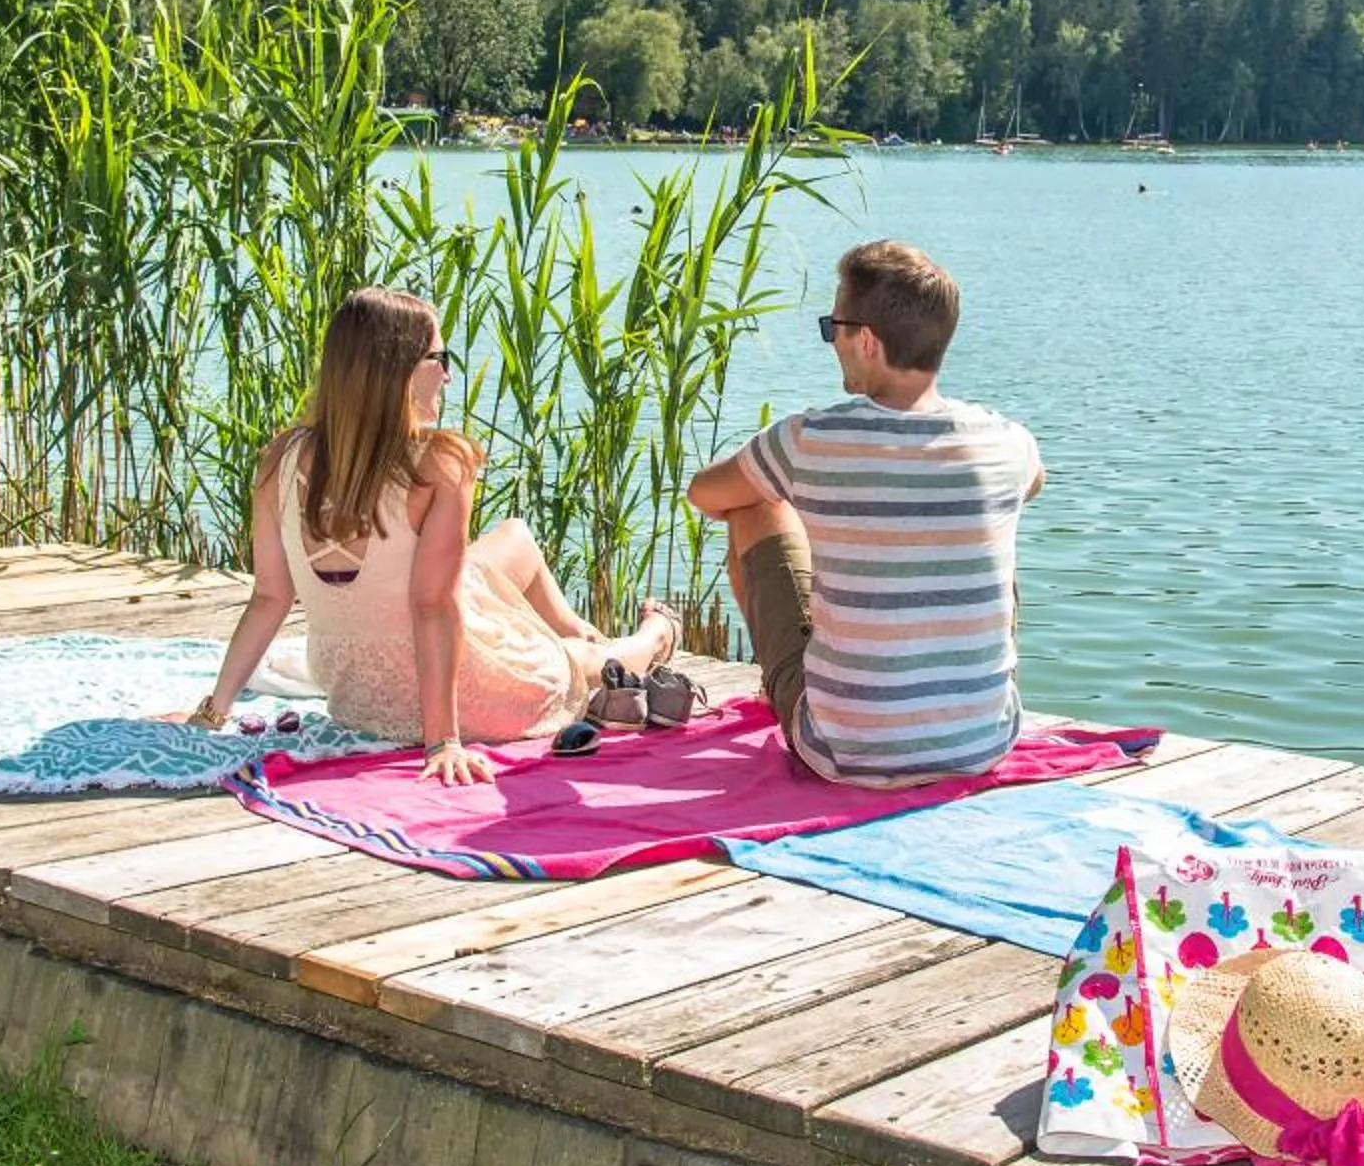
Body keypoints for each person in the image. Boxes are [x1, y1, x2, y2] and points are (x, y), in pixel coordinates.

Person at [182, 288, 677, 784]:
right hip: (460, 695)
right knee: (577, 664)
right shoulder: (440, 462)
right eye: (439, 359)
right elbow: (432, 606)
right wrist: (443, 742)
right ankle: (655, 634)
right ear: (396, 369)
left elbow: (269, 597)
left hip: (354, 695)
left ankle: (577, 628)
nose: (447, 375)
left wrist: (213, 711)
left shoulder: (281, 458)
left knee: (515, 535)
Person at [687, 241, 1043, 786]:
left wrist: (819, 506)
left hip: (843, 748)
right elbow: (1034, 485)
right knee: (986, 524)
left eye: (833, 327)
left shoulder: (807, 439)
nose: (832, 342)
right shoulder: (1008, 442)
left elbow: (705, 494)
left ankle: (784, 684)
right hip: (981, 743)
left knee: (752, 502)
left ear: (867, 341)